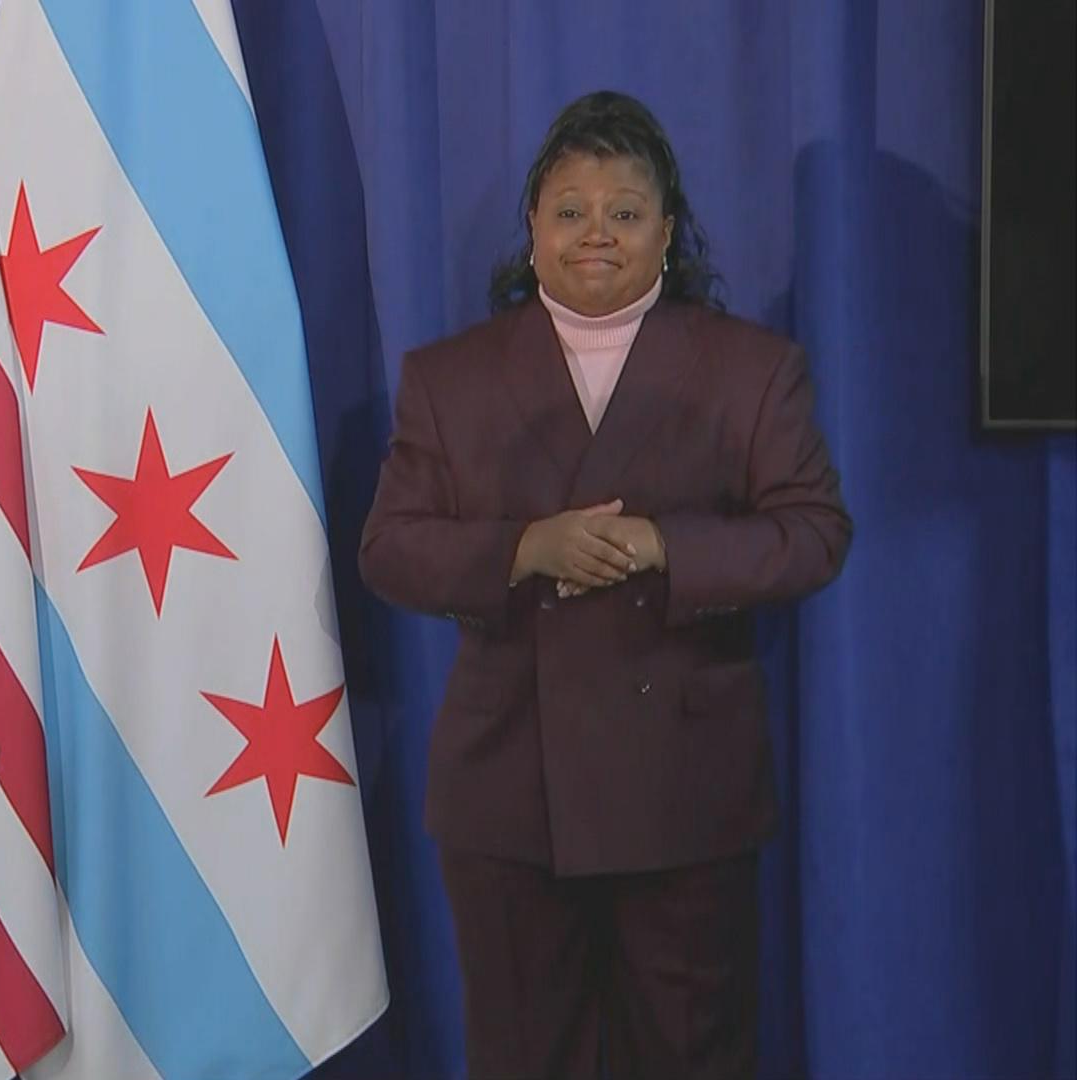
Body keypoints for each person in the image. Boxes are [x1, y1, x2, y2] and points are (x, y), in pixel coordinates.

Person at [359, 91, 851, 1077]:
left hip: (683, 796)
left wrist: (671, 548)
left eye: (624, 212)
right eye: (570, 210)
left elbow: (814, 534)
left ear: (666, 232)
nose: (597, 234)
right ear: (534, 229)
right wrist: (522, 550)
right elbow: (390, 549)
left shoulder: (752, 370)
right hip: (508, 798)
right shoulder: (446, 378)